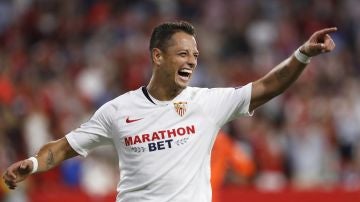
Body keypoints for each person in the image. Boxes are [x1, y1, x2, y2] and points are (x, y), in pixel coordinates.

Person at [2, 21, 336, 202]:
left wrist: (302, 55)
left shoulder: (207, 103)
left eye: (195, 54)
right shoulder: (118, 111)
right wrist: (32, 164)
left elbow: (266, 86)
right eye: (182, 53)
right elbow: (61, 148)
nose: (192, 60)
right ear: (157, 56)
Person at [211, 130, 255, 202]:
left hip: (192, 191)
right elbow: (247, 167)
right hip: (211, 192)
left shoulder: (191, 138)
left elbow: (247, 168)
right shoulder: (222, 141)